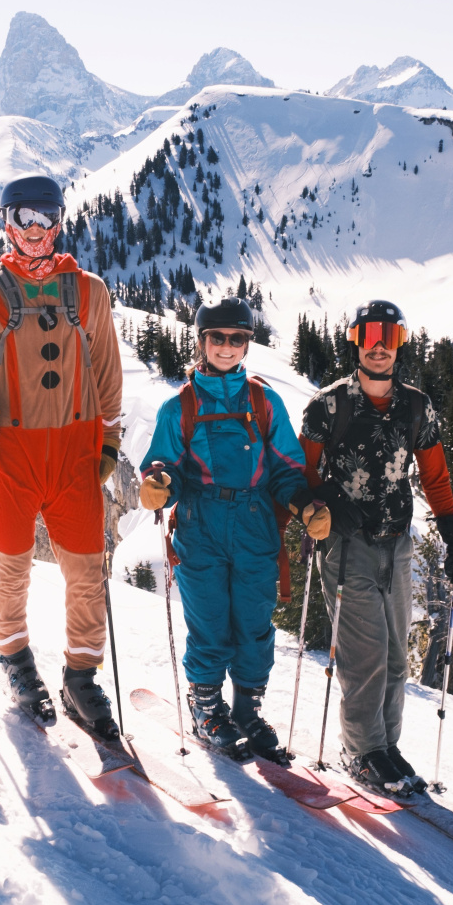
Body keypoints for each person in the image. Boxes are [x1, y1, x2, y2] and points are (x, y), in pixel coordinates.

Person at [0, 175, 124, 737]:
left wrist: (110, 441)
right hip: (10, 453)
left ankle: (81, 676)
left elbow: (107, 372)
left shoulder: (90, 291)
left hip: (75, 452)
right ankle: (14, 657)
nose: (37, 231)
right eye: (25, 218)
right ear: (6, 223)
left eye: (47, 218)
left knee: (87, 571)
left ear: (61, 223)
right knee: (9, 568)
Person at [137, 298, 329, 760]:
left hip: (254, 523)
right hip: (201, 523)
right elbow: (166, 462)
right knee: (209, 621)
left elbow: (286, 467)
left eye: (237, 338)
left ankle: (246, 709)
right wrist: (160, 481)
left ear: (247, 343)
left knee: (254, 622)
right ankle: (206, 706)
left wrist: (303, 502)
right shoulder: (178, 405)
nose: (227, 346)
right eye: (218, 338)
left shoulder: (265, 401)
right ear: (202, 342)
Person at [298, 299, 453, 793]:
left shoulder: (416, 407)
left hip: (396, 547)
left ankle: (384, 748)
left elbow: (436, 478)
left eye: (389, 336)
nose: (379, 345)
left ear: (400, 343)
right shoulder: (329, 405)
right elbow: (301, 475)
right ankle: (361, 752)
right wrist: (328, 501)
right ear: (355, 339)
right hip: (346, 547)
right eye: (370, 334)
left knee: (397, 657)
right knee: (365, 658)